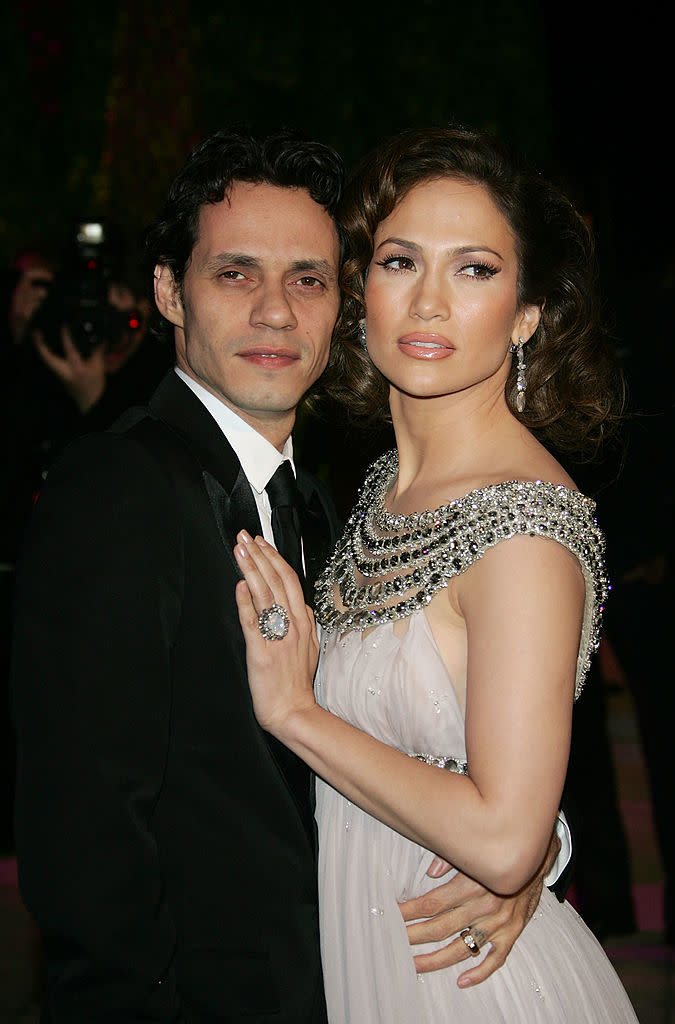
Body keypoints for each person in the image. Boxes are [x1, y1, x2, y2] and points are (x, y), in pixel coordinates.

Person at [10, 127, 560, 1023]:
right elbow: (86, 849)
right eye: (235, 274)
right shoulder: (115, 493)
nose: (274, 311)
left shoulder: (340, 499)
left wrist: (533, 850)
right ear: (168, 292)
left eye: (306, 278)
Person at [233, 127, 639, 1021]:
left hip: (469, 988)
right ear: (360, 292)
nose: (428, 303)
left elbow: (500, 838)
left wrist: (294, 712)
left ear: (528, 313)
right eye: (400, 260)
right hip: (379, 957)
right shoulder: (382, 486)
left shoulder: (524, 524)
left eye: (476, 270)